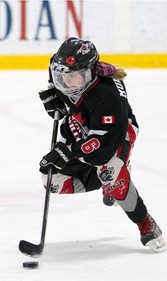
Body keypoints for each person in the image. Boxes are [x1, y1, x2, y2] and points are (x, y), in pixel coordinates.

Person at [38, 37, 166, 252]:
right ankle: (108, 182)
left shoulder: (108, 98)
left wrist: (67, 152)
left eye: (72, 77)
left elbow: (101, 150)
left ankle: (145, 222)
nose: (66, 82)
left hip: (116, 132)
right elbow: (55, 74)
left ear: (89, 73)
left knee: (110, 172)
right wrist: (52, 91)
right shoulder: (63, 66)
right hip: (83, 122)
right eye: (62, 76)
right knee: (53, 180)